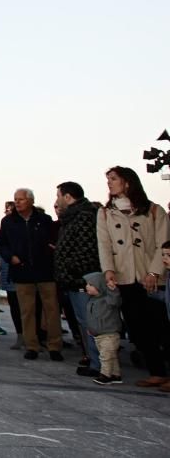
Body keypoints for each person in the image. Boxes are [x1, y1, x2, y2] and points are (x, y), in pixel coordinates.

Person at [96, 166, 169, 388]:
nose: (109, 183)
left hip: (151, 278)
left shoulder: (154, 211)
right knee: (137, 328)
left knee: (163, 327)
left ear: (127, 182)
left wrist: (154, 272)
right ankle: (156, 371)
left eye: (113, 179)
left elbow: (163, 244)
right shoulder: (106, 213)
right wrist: (108, 270)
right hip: (124, 277)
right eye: (108, 179)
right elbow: (104, 245)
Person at [0, 188, 62, 362]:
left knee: (51, 310)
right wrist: (11, 257)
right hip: (22, 272)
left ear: (31, 201)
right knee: (27, 311)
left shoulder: (43, 220)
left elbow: (53, 241)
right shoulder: (8, 222)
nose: (17, 202)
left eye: (21, 199)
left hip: (45, 271)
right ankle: (31, 345)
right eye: (15, 199)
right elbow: (1, 244)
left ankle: (54, 345)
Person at [53, 182, 102, 377]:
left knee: (90, 321)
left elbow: (85, 249)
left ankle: (98, 363)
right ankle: (93, 359)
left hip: (81, 279)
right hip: (73, 279)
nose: (56, 200)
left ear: (67, 197)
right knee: (83, 321)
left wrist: (73, 273)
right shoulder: (74, 217)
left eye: (58, 195)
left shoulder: (83, 217)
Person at [80, 272, 122, 385]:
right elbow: (91, 317)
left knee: (105, 356)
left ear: (99, 286)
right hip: (98, 334)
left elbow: (115, 300)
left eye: (90, 284)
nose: (86, 286)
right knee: (111, 356)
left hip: (109, 334)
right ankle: (115, 374)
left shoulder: (107, 300)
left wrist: (113, 290)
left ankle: (105, 375)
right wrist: (91, 328)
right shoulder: (92, 300)